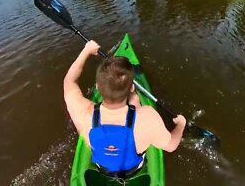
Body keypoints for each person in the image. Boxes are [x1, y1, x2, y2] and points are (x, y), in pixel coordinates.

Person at [63, 40, 186, 178]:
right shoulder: (147, 117)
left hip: (102, 170)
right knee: (135, 101)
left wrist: (86, 51)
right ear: (132, 87)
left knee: (132, 103)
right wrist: (181, 125)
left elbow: (69, 81)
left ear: (97, 87)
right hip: (135, 170)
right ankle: (133, 101)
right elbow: (171, 146)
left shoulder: (83, 111)